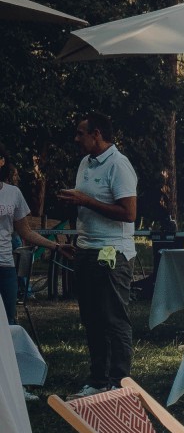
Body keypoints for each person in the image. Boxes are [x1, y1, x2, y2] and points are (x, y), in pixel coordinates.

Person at [57, 112, 138, 398]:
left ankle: (120, 382)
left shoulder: (119, 165)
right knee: (91, 318)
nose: (76, 139)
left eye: (81, 133)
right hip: (86, 249)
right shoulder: (85, 163)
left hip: (112, 253)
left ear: (98, 134)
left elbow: (129, 214)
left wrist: (85, 201)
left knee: (114, 318)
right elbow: (88, 206)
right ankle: (97, 379)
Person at [0, 150, 48, 328]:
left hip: (5, 266)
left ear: (2, 161)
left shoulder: (13, 193)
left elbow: (26, 232)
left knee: (8, 323)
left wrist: (56, 246)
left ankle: (9, 356)